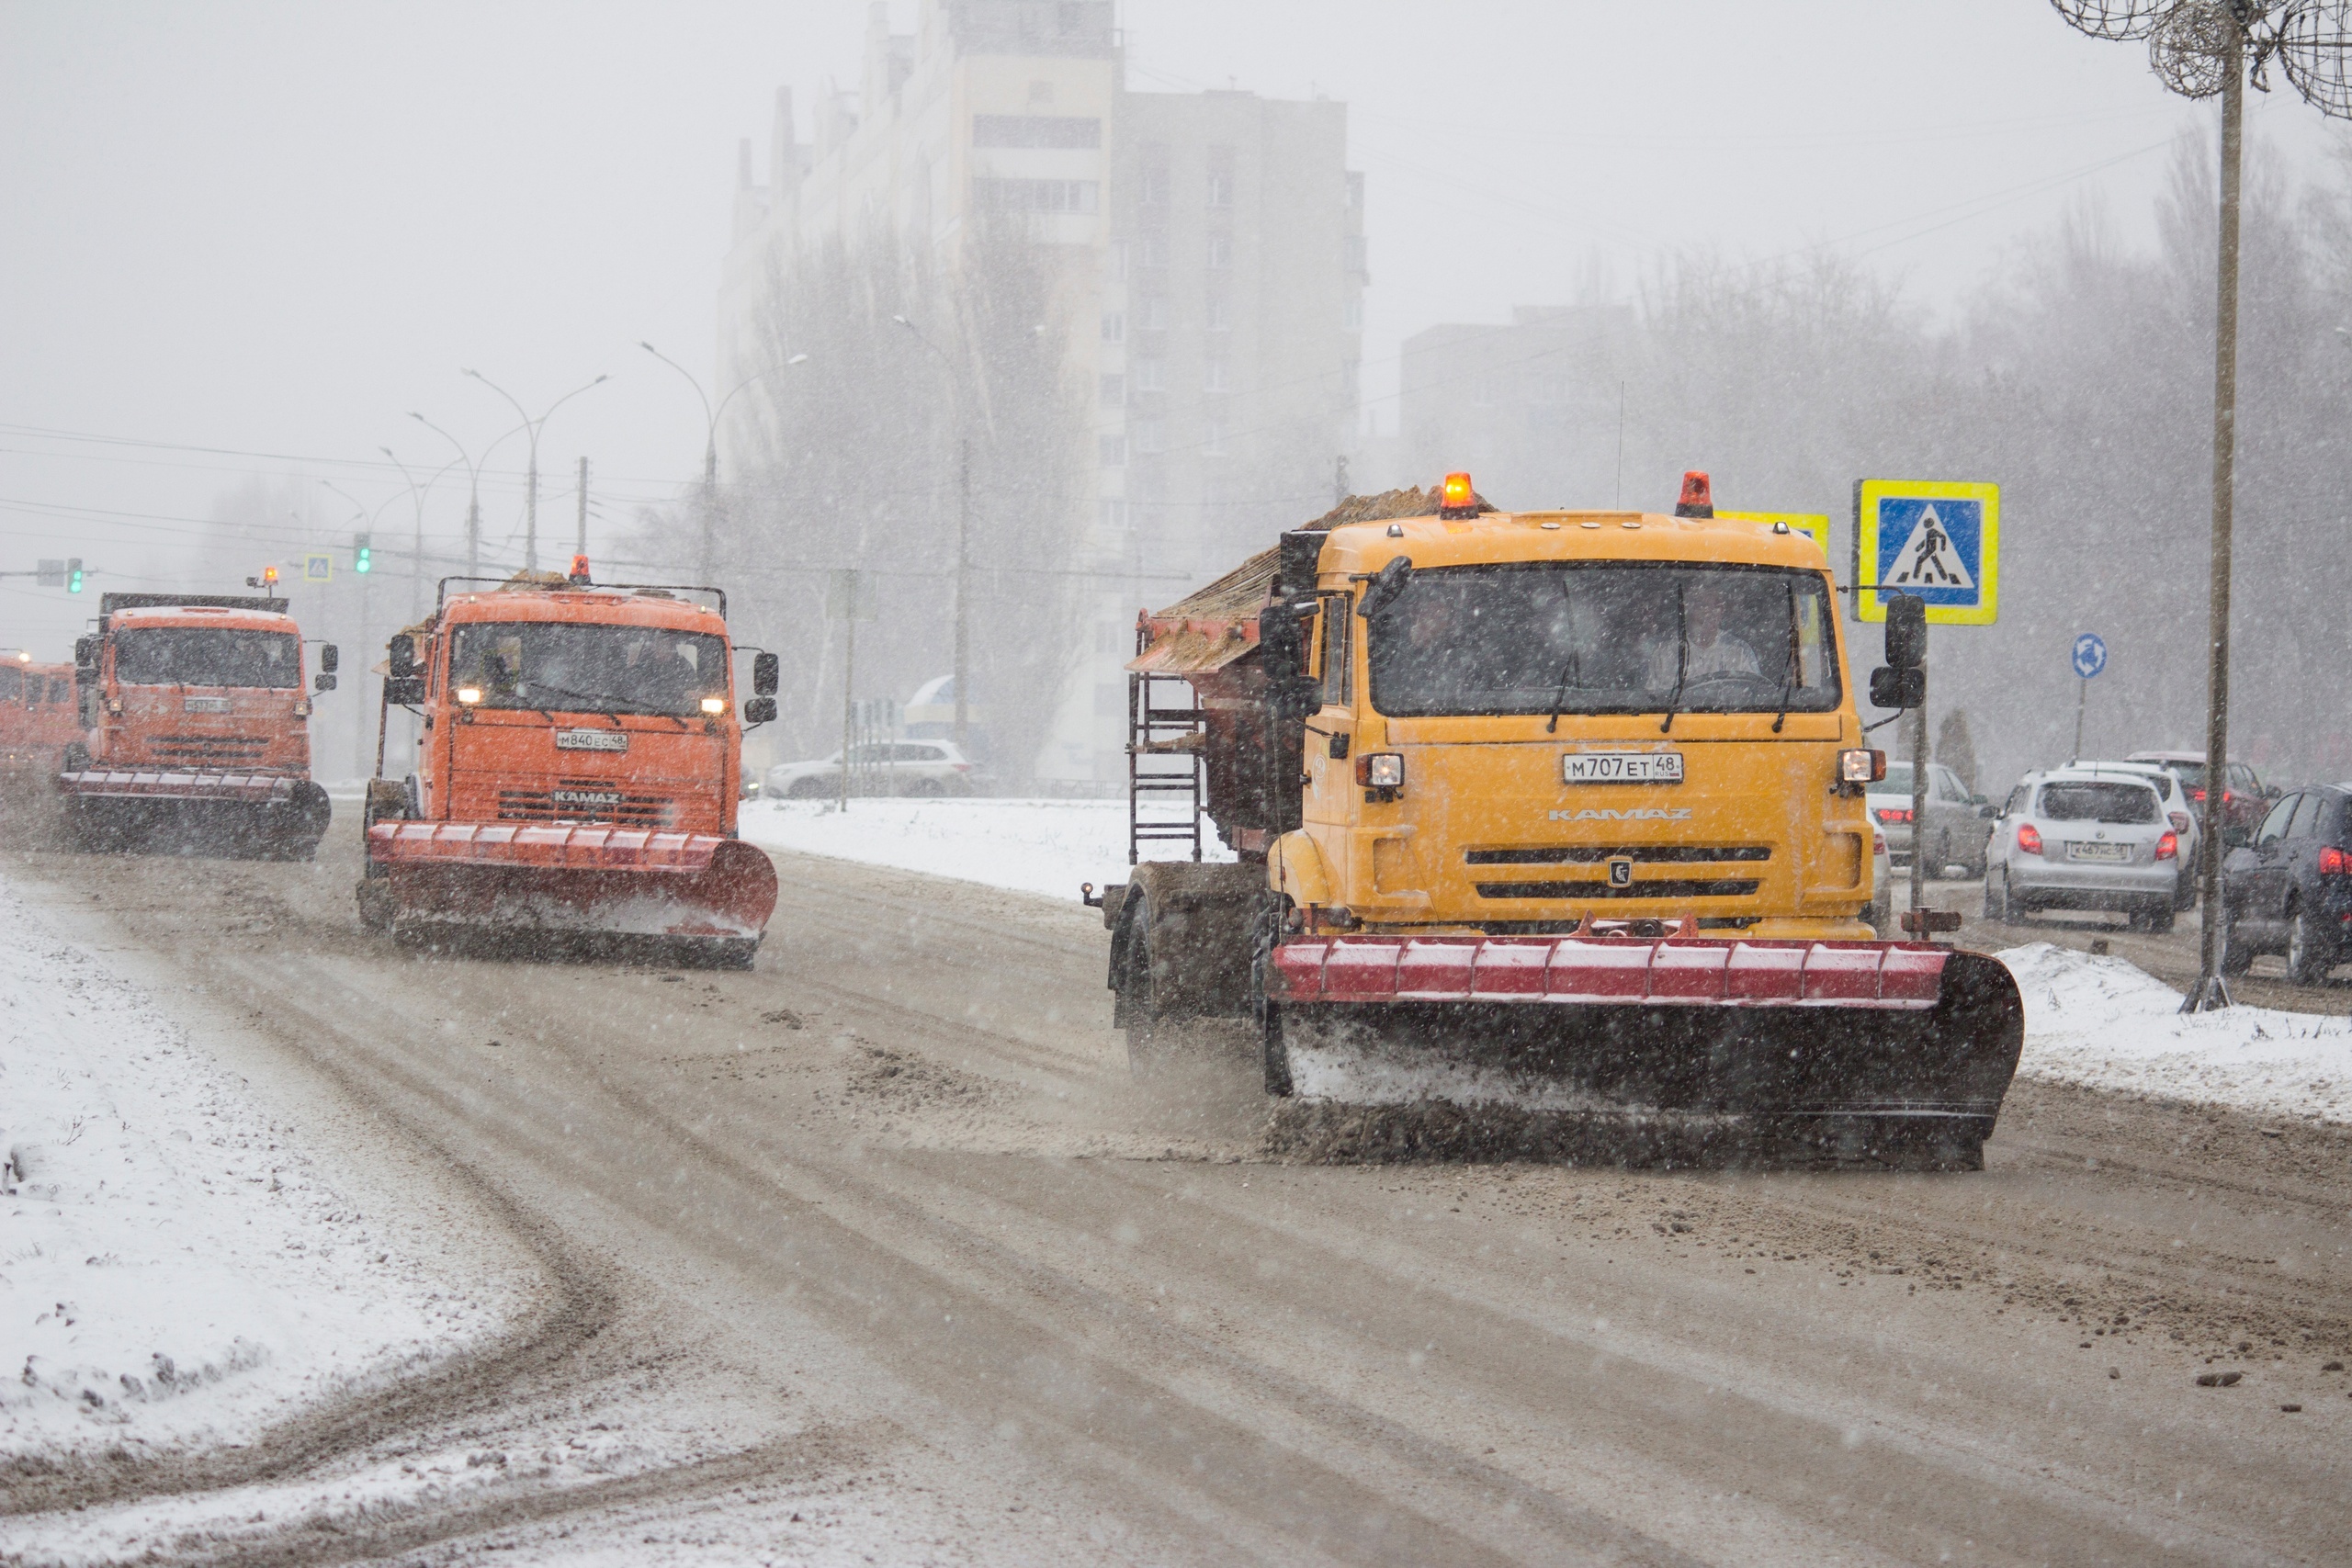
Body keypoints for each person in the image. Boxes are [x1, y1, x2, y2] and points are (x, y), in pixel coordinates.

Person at [1643, 579, 1761, 691]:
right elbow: (1651, 702)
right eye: (1702, 606)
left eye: (1716, 605)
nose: (1709, 612)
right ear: (1687, 611)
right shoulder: (1664, 655)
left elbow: (1757, 697)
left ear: (1722, 610)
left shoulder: (1739, 652)